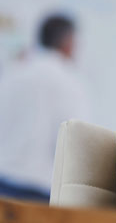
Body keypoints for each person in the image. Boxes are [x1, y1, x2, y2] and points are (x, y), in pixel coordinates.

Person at [0, 14, 91, 202]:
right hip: (39, 190)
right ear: (68, 41)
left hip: (4, 180)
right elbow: (77, 143)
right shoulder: (70, 81)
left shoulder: (15, 71)